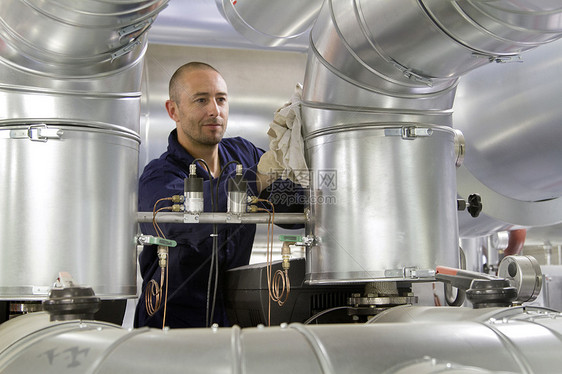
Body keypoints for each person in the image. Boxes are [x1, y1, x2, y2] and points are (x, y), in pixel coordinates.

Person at [134, 62, 303, 329]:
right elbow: (181, 226)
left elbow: (294, 209)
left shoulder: (244, 154)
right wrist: (255, 180)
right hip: (171, 328)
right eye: (201, 100)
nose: (215, 110)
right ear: (173, 110)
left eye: (221, 99)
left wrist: (308, 150)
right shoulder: (158, 176)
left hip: (231, 325)